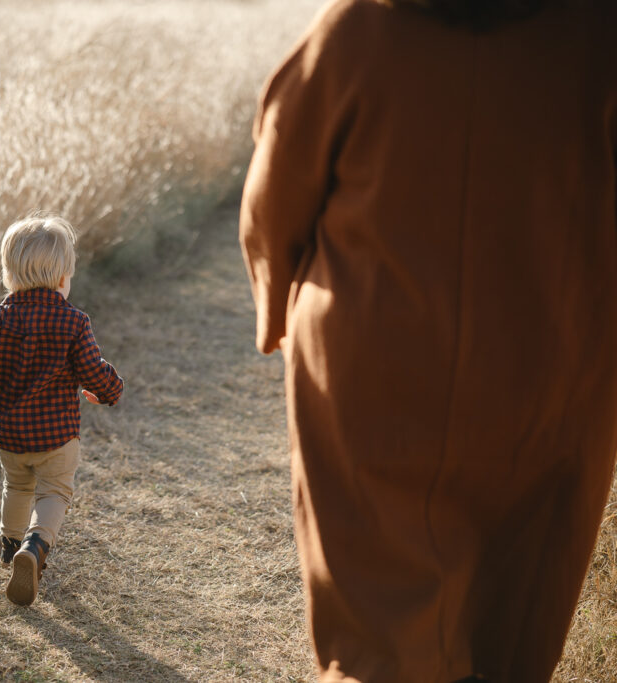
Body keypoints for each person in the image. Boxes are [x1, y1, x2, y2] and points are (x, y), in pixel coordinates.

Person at [239, 0, 617, 681]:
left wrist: (274, 313)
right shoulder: (599, 34)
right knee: (515, 624)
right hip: (554, 374)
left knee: (380, 644)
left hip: (374, 381)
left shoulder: (356, 30)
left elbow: (275, 194)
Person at [0, 215, 124, 606]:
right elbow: (92, 370)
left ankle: (9, 545)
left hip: (9, 436)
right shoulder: (74, 322)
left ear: (9, 275)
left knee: (16, 487)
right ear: (64, 277)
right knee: (54, 493)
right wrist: (110, 391)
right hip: (56, 435)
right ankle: (33, 548)